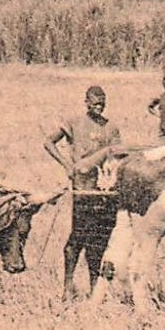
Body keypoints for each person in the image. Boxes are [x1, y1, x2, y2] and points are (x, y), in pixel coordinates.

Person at [44, 85, 123, 299]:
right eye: (95, 102)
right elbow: (49, 142)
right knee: (78, 236)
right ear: (86, 102)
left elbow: (116, 155)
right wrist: (66, 165)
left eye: (102, 103)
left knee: (100, 240)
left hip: (104, 189)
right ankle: (68, 286)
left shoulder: (111, 128)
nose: (99, 106)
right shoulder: (74, 123)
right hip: (82, 187)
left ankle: (95, 288)